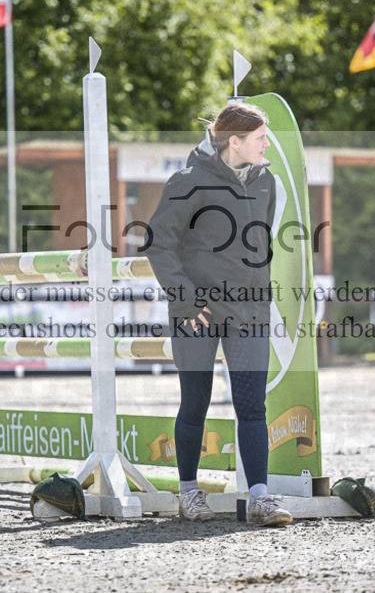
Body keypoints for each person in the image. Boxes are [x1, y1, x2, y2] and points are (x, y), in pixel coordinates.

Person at [146, 102, 293, 527]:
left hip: (249, 310)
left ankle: (261, 498)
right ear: (235, 142)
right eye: (260, 138)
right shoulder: (187, 182)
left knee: (252, 405)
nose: (267, 144)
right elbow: (159, 244)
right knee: (196, 403)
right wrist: (187, 300)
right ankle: (189, 493)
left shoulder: (267, 182)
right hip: (197, 312)